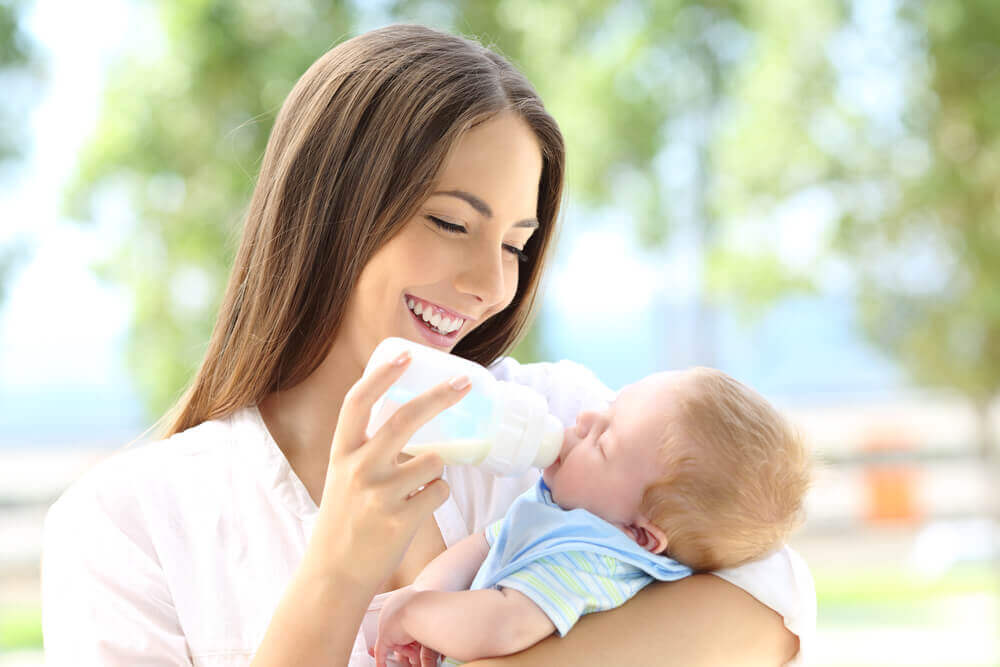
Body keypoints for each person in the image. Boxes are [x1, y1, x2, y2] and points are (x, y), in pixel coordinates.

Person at [40, 24, 814, 666]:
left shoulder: (573, 431)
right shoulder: (129, 524)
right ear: (330, 209)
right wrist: (339, 567)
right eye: (451, 223)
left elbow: (770, 605)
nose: (489, 283)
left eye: (516, 244)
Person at [373, 367, 811, 666]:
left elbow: (503, 623)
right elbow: (482, 547)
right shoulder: (561, 510)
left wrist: (416, 615)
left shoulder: (592, 561)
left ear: (637, 535)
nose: (584, 418)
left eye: (603, 443)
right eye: (609, 407)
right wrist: (419, 600)